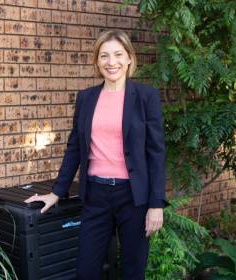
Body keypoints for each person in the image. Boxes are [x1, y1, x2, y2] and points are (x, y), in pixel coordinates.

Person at [25, 29, 169, 280]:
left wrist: (156, 204)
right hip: (95, 196)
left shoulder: (146, 97)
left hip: (134, 198)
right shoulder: (86, 98)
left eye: (117, 55)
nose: (111, 62)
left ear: (129, 59)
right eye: (104, 56)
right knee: (86, 270)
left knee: (133, 271)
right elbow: (74, 148)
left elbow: (156, 153)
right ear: (97, 61)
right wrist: (57, 192)